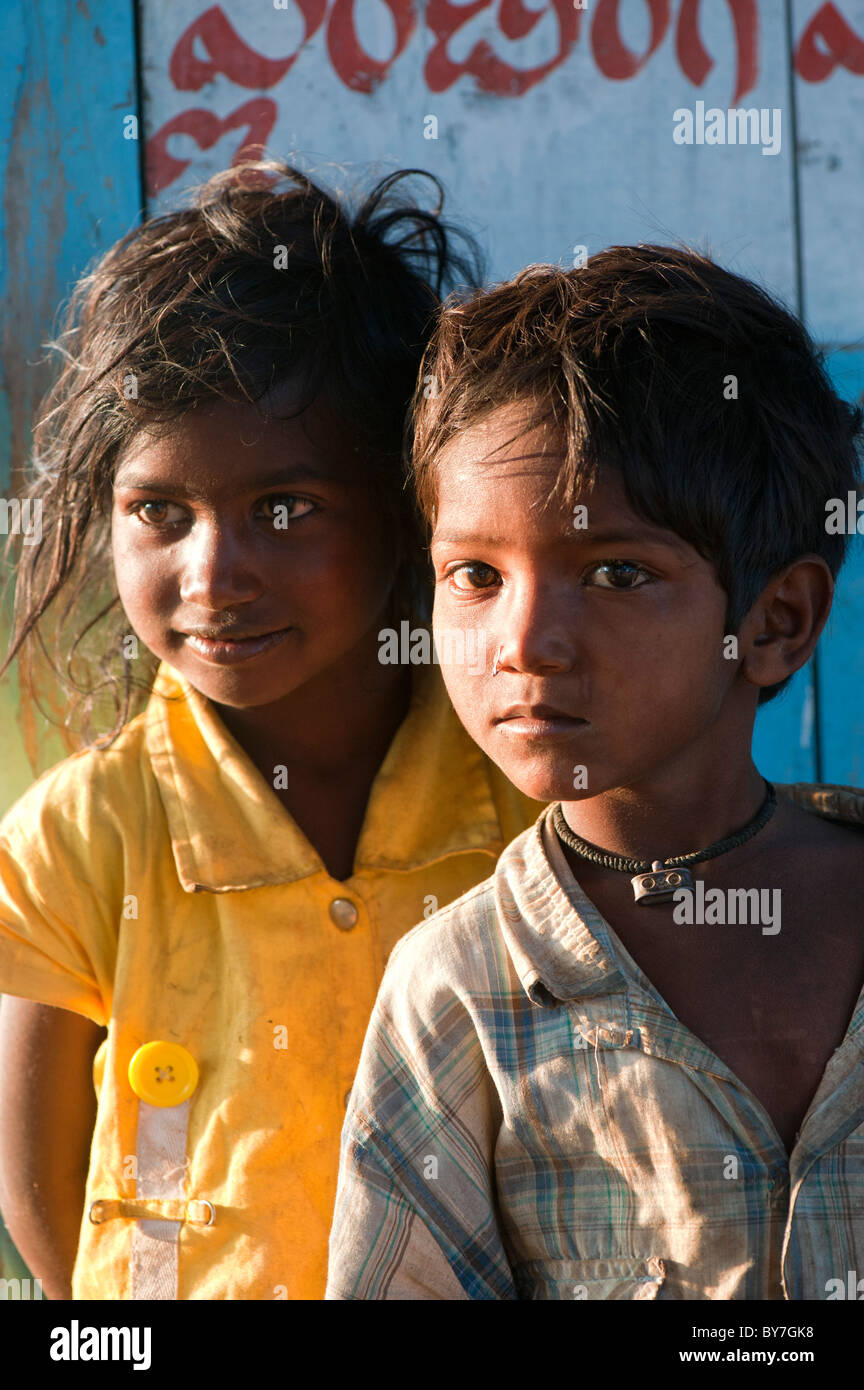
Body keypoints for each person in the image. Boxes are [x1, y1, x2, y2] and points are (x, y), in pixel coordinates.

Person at [0, 160, 544, 1301]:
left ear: (403, 507)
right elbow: (39, 1197)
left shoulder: (527, 793)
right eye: (160, 511)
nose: (214, 575)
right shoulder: (81, 839)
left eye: (285, 509)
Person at [326, 247, 864, 1301]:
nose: (524, 641)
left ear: (774, 621)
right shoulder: (460, 992)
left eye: (616, 573)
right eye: (475, 575)